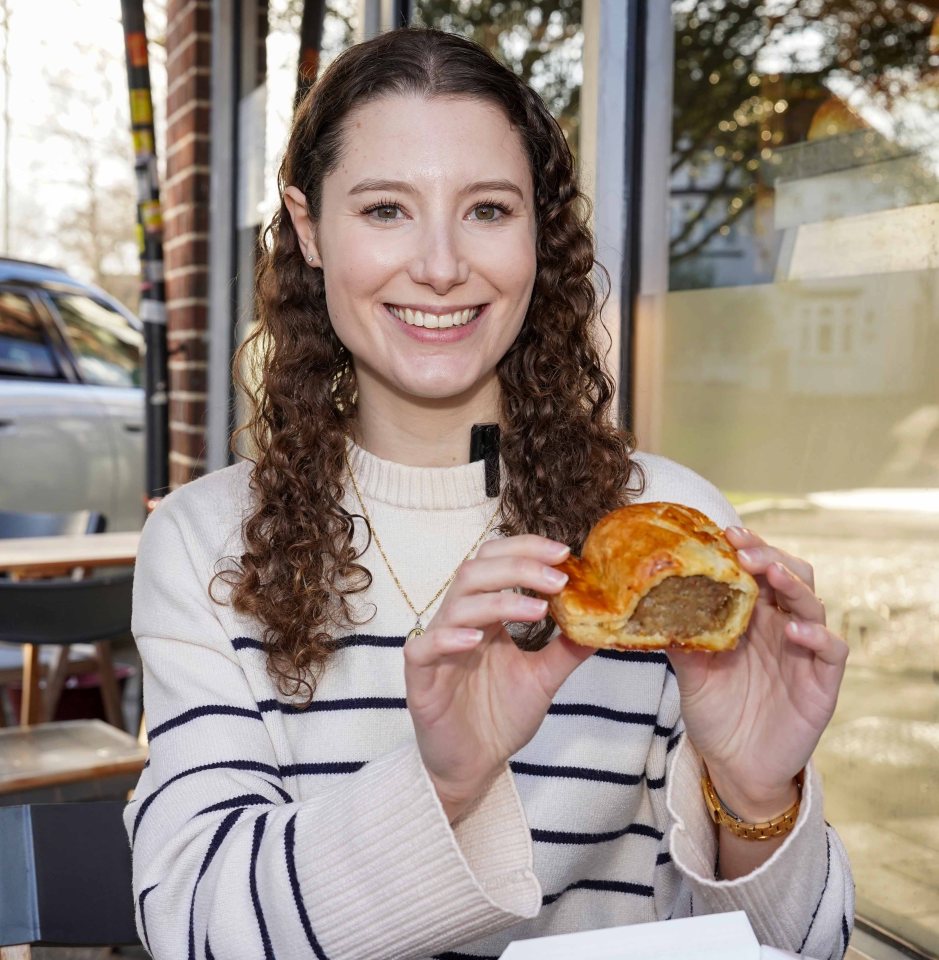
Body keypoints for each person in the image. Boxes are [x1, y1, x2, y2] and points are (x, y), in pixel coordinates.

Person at [125, 27, 853, 960]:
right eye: (385, 209)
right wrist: (443, 782)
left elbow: (807, 949)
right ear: (309, 230)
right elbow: (192, 928)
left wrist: (756, 801)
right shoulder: (203, 544)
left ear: (536, 234)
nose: (439, 265)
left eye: (488, 210)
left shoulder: (667, 541)